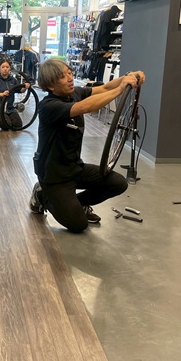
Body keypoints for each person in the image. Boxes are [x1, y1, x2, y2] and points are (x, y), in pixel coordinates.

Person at [30, 58, 145, 233]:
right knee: (79, 225)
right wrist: (121, 89)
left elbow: (105, 88)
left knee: (118, 183)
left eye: (69, 72)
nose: (70, 78)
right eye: (62, 76)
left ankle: (79, 204)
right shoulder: (48, 106)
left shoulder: (74, 92)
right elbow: (85, 107)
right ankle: (42, 195)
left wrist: (129, 78)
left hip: (75, 168)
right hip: (54, 177)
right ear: (51, 86)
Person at [0, 58, 31, 130]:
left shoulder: (13, 80)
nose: (5, 69)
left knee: (18, 125)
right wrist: (2, 94)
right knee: (6, 126)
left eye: (7, 67)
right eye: (3, 67)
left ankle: (4, 117)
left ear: (10, 68)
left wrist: (25, 87)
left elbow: (20, 90)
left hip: (10, 108)